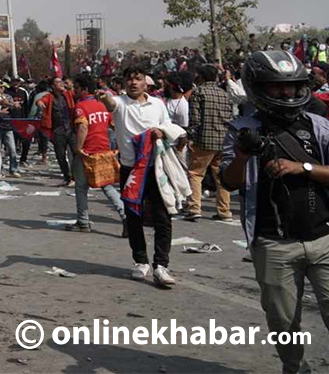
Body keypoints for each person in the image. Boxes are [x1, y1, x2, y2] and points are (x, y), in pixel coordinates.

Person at [221, 50, 329, 374]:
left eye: (293, 86)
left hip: (325, 240)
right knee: (284, 324)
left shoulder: (321, 127)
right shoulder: (242, 129)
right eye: (276, 87)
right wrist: (242, 156)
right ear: (258, 87)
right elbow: (228, 182)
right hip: (273, 244)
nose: (287, 93)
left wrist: (304, 167)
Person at [96, 67, 177, 288]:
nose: (133, 83)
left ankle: (161, 265)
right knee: (133, 216)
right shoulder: (120, 103)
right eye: (129, 79)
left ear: (145, 83)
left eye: (138, 79)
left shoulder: (158, 104)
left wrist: (161, 132)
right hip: (131, 170)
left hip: (156, 168)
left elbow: (168, 126)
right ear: (123, 83)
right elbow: (110, 104)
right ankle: (140, 261)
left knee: (162, 216)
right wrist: (105, 98)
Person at [64, 73, 126, 233]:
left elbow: (82, 127)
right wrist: (118, 145)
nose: (74, 91)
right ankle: (126, 216)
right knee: (107, 186)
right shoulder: (102, 104)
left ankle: (83, 222)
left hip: (87, 153)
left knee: (81, 187)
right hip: (104, 150)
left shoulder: (81, 106)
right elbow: (115, 125)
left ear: (84, 89)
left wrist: (78, 149)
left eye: (76, 88)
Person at [184, 64, 233, 222]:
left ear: (201, 77)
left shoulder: (198, 92)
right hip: (223, 140)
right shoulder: (223, 93)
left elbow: (195, 118)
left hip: (204, 140)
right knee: (221, 177)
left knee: (195, 174)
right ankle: (224, 210)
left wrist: (190, 136)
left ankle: (194, 208)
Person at [49, 77, 76, 187]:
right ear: (52, 85)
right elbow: (41, 101)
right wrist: (39, 103)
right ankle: (67, 177)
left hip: (71, 128)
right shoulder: (50, 97)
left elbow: (79, 96)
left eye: (61, 82)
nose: (61, 83)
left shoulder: (69, 94)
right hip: (58, 130)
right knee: (60, 155)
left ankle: (76, 177)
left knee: (76, 154)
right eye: (58, 82)